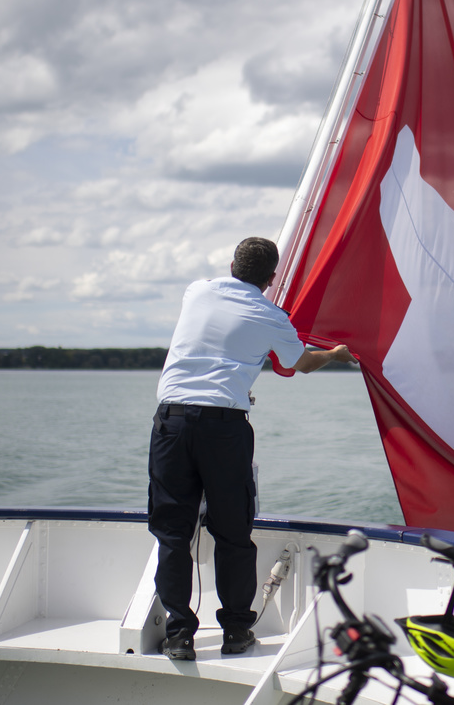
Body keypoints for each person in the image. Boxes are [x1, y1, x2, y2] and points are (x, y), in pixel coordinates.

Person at [150, 236, 356, 660]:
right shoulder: (272, 316)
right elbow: (300, 362)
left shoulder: (197, 291)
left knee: (173, 534)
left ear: (230, 265)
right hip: (224, 430)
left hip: (171, 423)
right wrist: (335, 354)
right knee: (232, 533)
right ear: (272, 278)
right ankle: (236, 632)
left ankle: (179, 636)